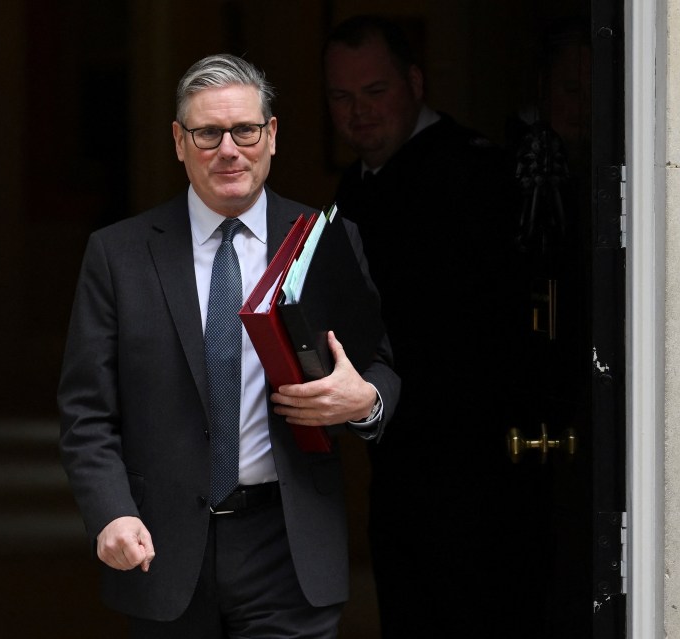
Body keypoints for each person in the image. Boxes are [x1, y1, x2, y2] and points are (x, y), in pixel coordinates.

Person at [58, 53, 400, 638]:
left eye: (245, 130)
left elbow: (379, 365)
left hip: (289, 547)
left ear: (272, 135)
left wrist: (364, 401)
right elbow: (86, 411)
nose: (229, 150)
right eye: (208, 133)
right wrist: (110, 511)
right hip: (161, 548)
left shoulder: (325, 240)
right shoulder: (118, 255)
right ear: (178, 141)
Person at [323, 14, 534, 638]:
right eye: (341, 97)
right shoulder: (354, 188)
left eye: (375, 91)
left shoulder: (477, 176)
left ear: (415, 83)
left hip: (476, 477)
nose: (359, 112)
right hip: (396, 470)